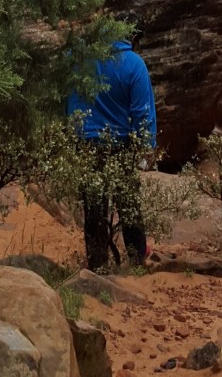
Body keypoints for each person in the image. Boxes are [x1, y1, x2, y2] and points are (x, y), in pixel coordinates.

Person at [67, 33, 157, 270]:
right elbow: (141, 111)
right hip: (121, 144)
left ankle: (97, 263)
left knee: (94, 205)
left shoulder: (79, 60)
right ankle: (137, 256)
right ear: (131, 35)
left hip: (86, 142)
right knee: (128, 201)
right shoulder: (134, 63)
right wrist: (146, 146)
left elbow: (69, 99)